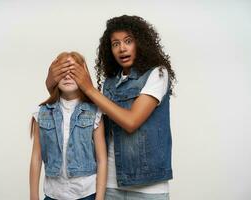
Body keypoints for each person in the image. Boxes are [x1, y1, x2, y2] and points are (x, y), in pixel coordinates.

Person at [46, 15, 176, 200]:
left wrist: (89, 88)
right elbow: (83, 115)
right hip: (109, 185)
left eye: (128, 41)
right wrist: (50, 84)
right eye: (115, 44)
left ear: (141, 43)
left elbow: (131, 121)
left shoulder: (157, 74)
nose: (122, 48)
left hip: (147, 187)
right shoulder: (109, 83)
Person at [30, 52, 107, 200]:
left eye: (73, 71)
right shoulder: (42, 112)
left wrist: (100, 198)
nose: (67, 76)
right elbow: (36, 157)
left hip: (86, 194)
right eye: (62, 71)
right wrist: (33, 196)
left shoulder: (94, 113)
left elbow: (102, 159)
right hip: (53, 194)